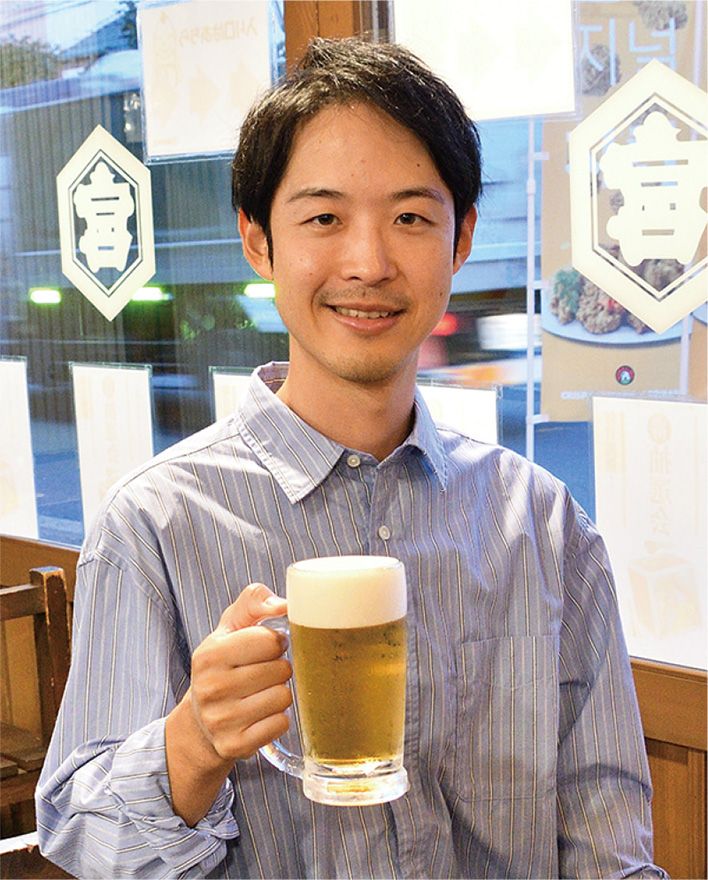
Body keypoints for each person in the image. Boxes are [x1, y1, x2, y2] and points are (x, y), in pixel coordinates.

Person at [37, 37, 666, 879]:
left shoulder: (544, 525)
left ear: (461, 239)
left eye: (410, 218)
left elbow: (608, 835)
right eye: (324, 218)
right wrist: (191, 744)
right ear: (258, 240)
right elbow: (82, 838)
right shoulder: (156, 523)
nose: (368, 263)